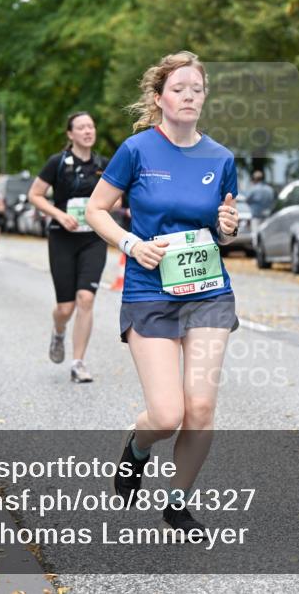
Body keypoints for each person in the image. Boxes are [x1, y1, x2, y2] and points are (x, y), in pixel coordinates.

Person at [85, 51, 240, 536]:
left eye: (197, 88)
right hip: (150, 291)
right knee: (168, 413)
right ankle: (137, 446)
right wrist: (131, 244)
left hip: (208, 291)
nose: (189, 95)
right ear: (159, 98)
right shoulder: (136, 151)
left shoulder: (221, 158)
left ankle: (178, 502)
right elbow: (97, 210)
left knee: (200, 407)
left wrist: (228, 227)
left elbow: (222, 227)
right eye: (179, 88)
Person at [28, 112, 110, 383]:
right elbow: (35, 195)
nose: (88, 131)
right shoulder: (57, 162)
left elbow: (116, 200)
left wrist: (107, 208)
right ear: (70, 134)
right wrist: (59, 215)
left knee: (86, 299)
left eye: (91, 126)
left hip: (93, 239)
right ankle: (59, 330)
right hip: (62, 238)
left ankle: (78, 363)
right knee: (65, 308)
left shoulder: (103, 165)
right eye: (81, 127)